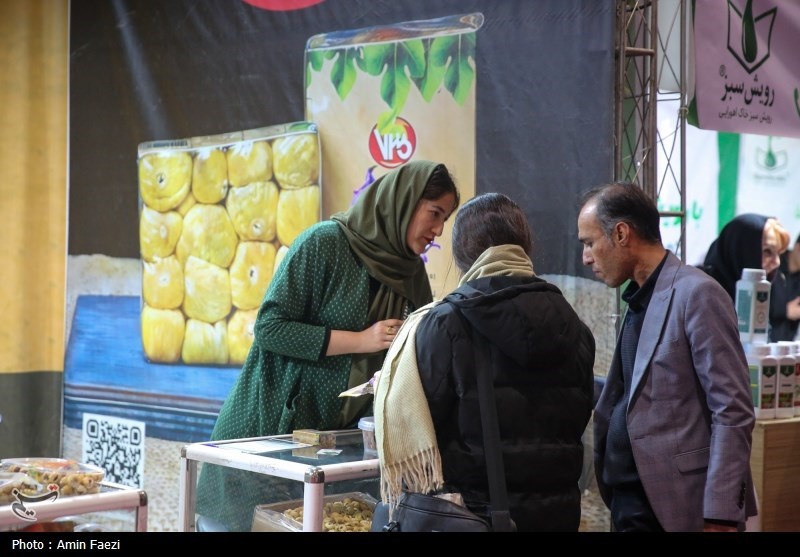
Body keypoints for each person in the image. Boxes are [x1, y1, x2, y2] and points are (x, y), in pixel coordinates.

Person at [195, 159, 460, 532]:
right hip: (267, 437)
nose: (437, 230)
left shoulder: (411, 273)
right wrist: (363, 340)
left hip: (335, 456)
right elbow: (270, 327)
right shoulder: (324, 243)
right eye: (434, 213)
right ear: (404, 201)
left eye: (445, 219)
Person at [374, 192, 595, 532]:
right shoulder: (576, 328)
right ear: (524, 248)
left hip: (474, 519)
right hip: (558, 516)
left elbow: (426, 423)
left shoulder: (445, 323)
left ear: (463, 255)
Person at [577, 181, 757, 532]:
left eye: (589, 242)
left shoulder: (698, 293)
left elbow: (733, 410)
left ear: (621, 233)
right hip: (629, 502)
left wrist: (719, 513)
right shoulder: (641, 296)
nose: (586, 257)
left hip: (676, 505)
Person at [701, 213, 790, 301]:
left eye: (779, 253)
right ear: (739, 249)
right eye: (767, 251)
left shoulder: (769, 291)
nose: (777, 262)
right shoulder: (701, 292)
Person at [769, 232, 800, 342]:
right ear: (797, 247)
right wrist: (784, 310)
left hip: (787, 349)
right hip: (761, 347)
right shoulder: (771, 264)